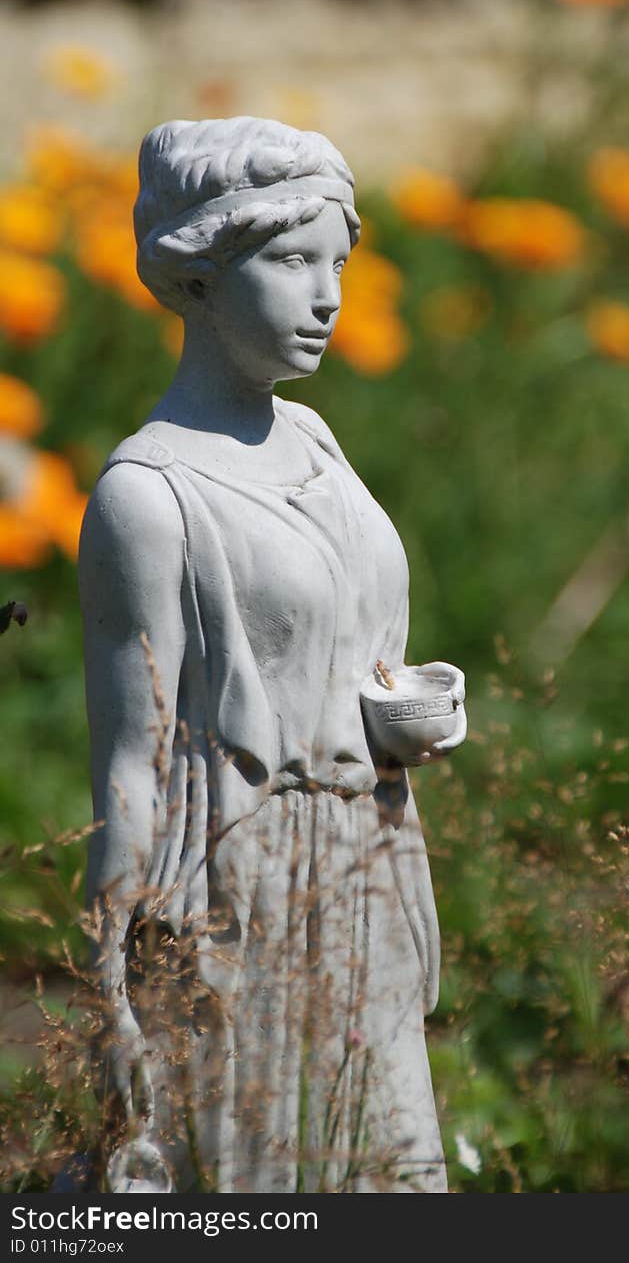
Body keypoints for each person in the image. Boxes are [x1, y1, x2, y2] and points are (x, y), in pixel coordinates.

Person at [79, 117, 466, 1193]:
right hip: (243, 882)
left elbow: (344, 642)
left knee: (395, 1170)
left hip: (368, 853)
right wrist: (109, 984)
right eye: (293, 261)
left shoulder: (316, 440)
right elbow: (129, 757)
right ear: (197, 275)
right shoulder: (147, 497)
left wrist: (398, 708)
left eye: (338, 262)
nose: (329, 295)